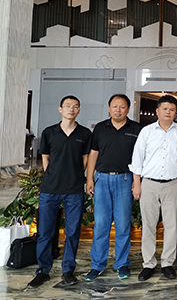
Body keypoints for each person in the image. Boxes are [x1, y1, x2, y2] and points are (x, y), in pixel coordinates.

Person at [28, 95, 92, 288]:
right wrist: (53, 176)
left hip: (74, 190)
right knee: (45, 232)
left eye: (75, 106)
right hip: (50, 190)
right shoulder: (49, 132)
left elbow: (86, 159)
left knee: (72, 232)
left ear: (79, 111)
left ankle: (68, 270)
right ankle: (43, 271)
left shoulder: (84, 133)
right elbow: (45, 158)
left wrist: (75, 175)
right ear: (60, 109)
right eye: (68, 106)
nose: (71, 109)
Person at [129, 95, 177, 281]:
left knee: (172, 225)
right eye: (165, 109)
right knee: (148, 225)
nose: (168, 112)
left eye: (172, 109)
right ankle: (148, 264)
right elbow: (137, 159)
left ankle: (167, 263)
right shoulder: (147, 132)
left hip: (172, 184)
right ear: (157, 111)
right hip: (149, 184)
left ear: (175, 112)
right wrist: (137, 184)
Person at [85, 94, 142, 281]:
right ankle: (97, 265)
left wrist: (136, 181)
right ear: (109, 108)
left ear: (128, 109)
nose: (118, 110)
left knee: (123, 224)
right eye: (115, 106)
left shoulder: (136, 129)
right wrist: (89, 179)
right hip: (101, 179)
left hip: (125, 179)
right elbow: (93, 154)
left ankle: (122, 264)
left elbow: (140, 158)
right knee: (101, 224)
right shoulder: (100, 128)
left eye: (122, 106)